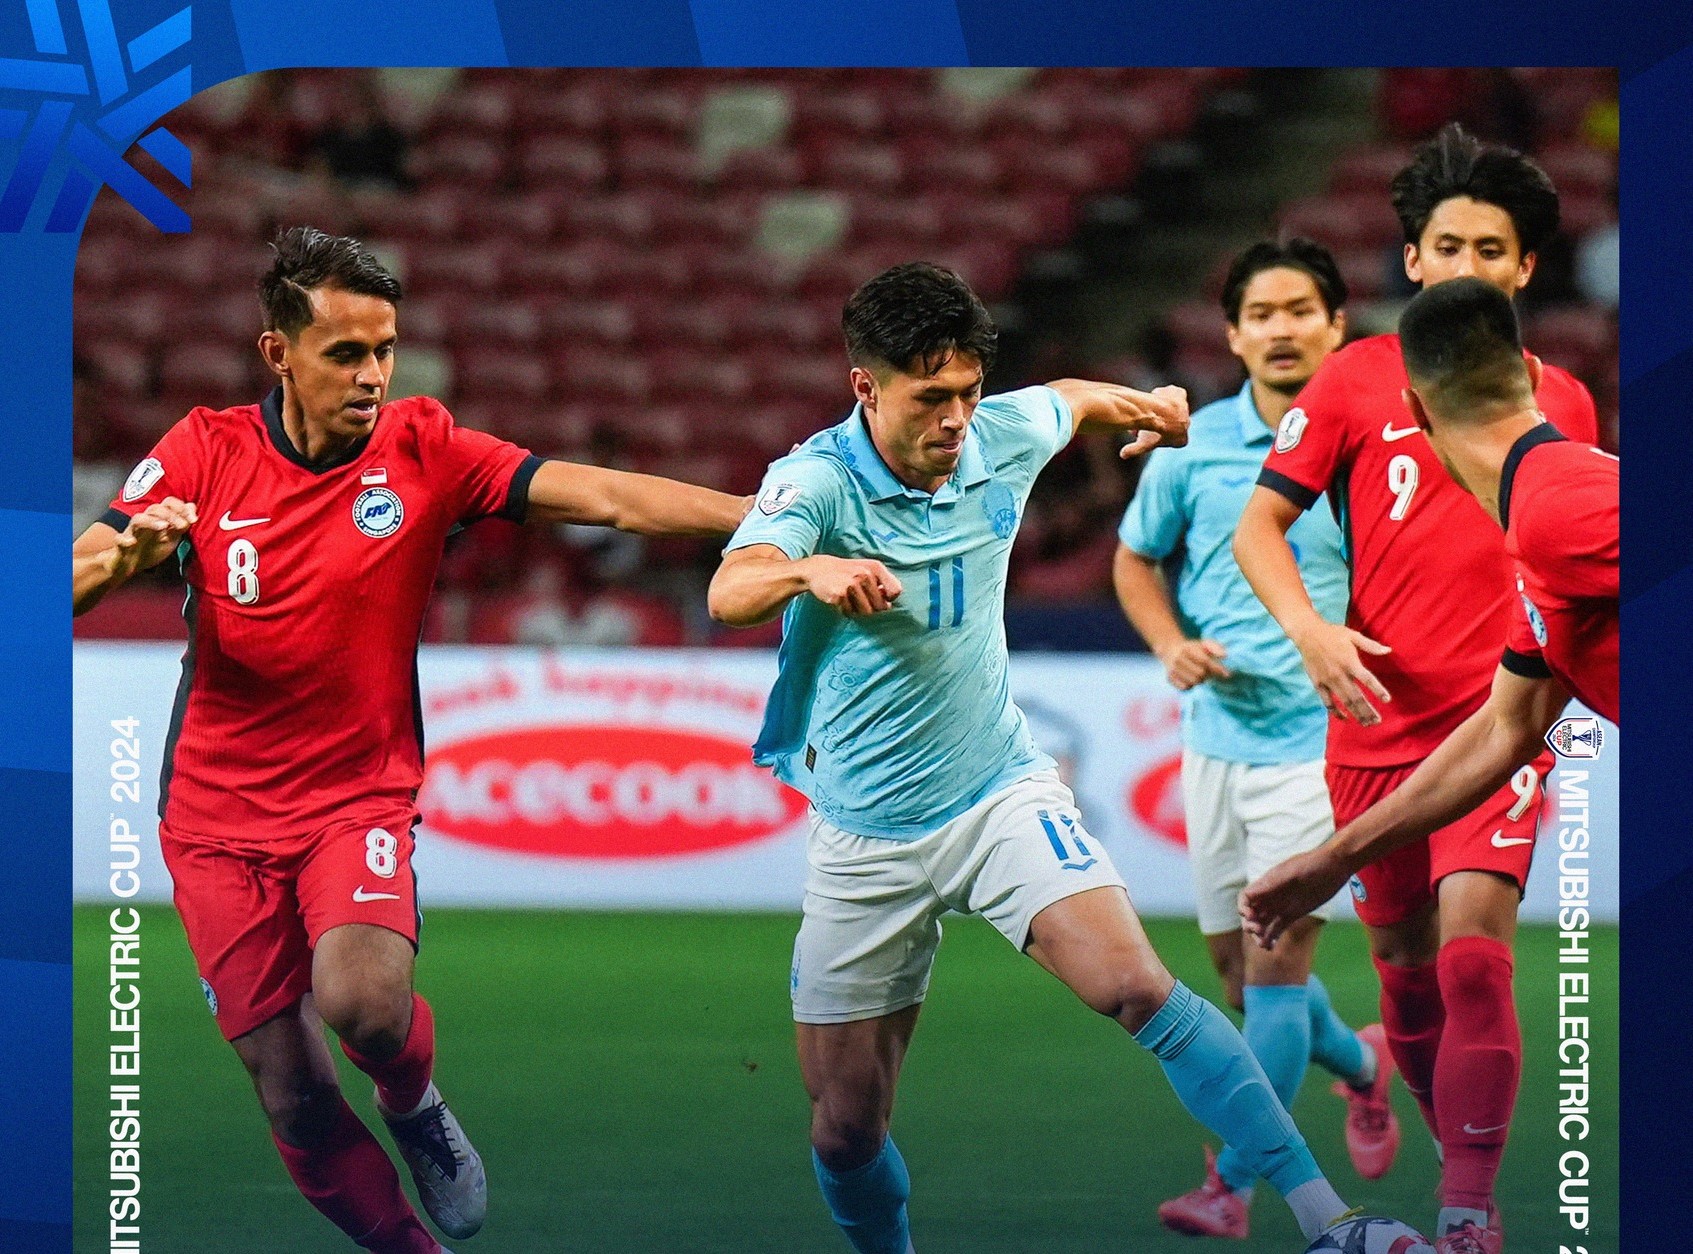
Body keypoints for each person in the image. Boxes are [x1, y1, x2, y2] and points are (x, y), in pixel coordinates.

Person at [71, 227, 750, 1254]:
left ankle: (414, 1102)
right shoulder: (204, 450)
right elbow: (64, 582)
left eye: (385, 349)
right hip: (214, 818)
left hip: (355, 795)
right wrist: (132, 554)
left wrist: (758, 516)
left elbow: (603, 493)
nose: (374, 375)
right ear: (279, 355)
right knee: (292, 1093)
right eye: (347, 352)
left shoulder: (424, 448)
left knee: (366, 1006)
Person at [709, 261, 1360, 1254]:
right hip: (863, 839)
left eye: (968, 392)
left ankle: (1332, 1224)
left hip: (996, 794)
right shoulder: (815, 483)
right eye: (931, 397)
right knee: (844, 1132)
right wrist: (812, 566)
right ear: (864, 387)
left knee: (1139, 988)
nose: (956, 418)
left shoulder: (996, 435)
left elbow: (1065, 402)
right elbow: (731, 589)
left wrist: (1153, 408)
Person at [1231, 125, 1601, 1253]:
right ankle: (1456, 1150)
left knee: (1476, 953)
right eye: (1447, 244)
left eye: (1492, 248)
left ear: (1523, 270)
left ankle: (1467, 1211)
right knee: (1404, 977)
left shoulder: (1567, 403)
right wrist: (1309, 631)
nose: (1467, 266)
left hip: (1498, 721)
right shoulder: (1353, 379)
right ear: (1411, 260)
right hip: (1371, 728)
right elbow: (1260, 526)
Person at [1114, 238, 1395, 1240]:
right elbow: (1135, 562)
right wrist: (1170, 643)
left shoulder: (1374, 453)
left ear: (1336, 327)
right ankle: (1363, 1067)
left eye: (1299, 310)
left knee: (1273, 978)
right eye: (1260, 313)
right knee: (1239, 980)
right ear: (1232, 334)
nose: (1280, 328)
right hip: (1214, 742)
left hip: (1323, 747)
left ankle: (1233, 1184)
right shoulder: (1192, 448)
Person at [1241, 277, 1617, 947]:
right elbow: (1506, 728)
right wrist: (1333, 859)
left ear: (1415, 410)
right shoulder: (1535, 537)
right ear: (1526, 377)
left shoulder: (1559, 506)